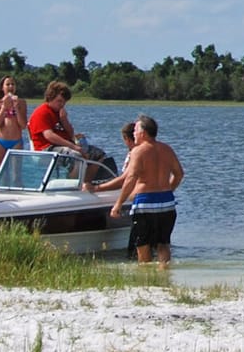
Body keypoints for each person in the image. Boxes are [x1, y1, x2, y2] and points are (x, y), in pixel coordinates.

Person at [89, 114, 184, 266]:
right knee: (163, 244)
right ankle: (164, 275)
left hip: (145, 203)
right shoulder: (167, 149)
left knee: (143, 245)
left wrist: (118, 204)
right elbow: (179, 174)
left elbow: (130, 178)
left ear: (143, 133)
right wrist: (168, 190)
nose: (133, 133)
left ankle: (146, 279)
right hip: (167, 202)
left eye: (136, 130)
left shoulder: (138, 151)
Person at [27, 81, 115, 186]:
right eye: (59, 101)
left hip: (66, 145)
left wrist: (64, 121)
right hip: (47, 148)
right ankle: (71, 186)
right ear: (50, 97)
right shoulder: (41, 113)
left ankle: (86, 183)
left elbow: (70, 134)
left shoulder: (59, 113)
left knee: (99, 154)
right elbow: (49, 136)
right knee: (76, 156)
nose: (62, 105)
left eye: (64, 102)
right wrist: (73, 146)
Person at [0, 76, 29, 170]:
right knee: (2, 172)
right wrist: (4, 107)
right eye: (8, 84)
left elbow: (23, 125)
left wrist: (16, 107)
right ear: (2, 87)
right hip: (0, 141)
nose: (10, 86)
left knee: (16, 174)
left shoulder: (21, 103)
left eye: (13, 84)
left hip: (16, 142)